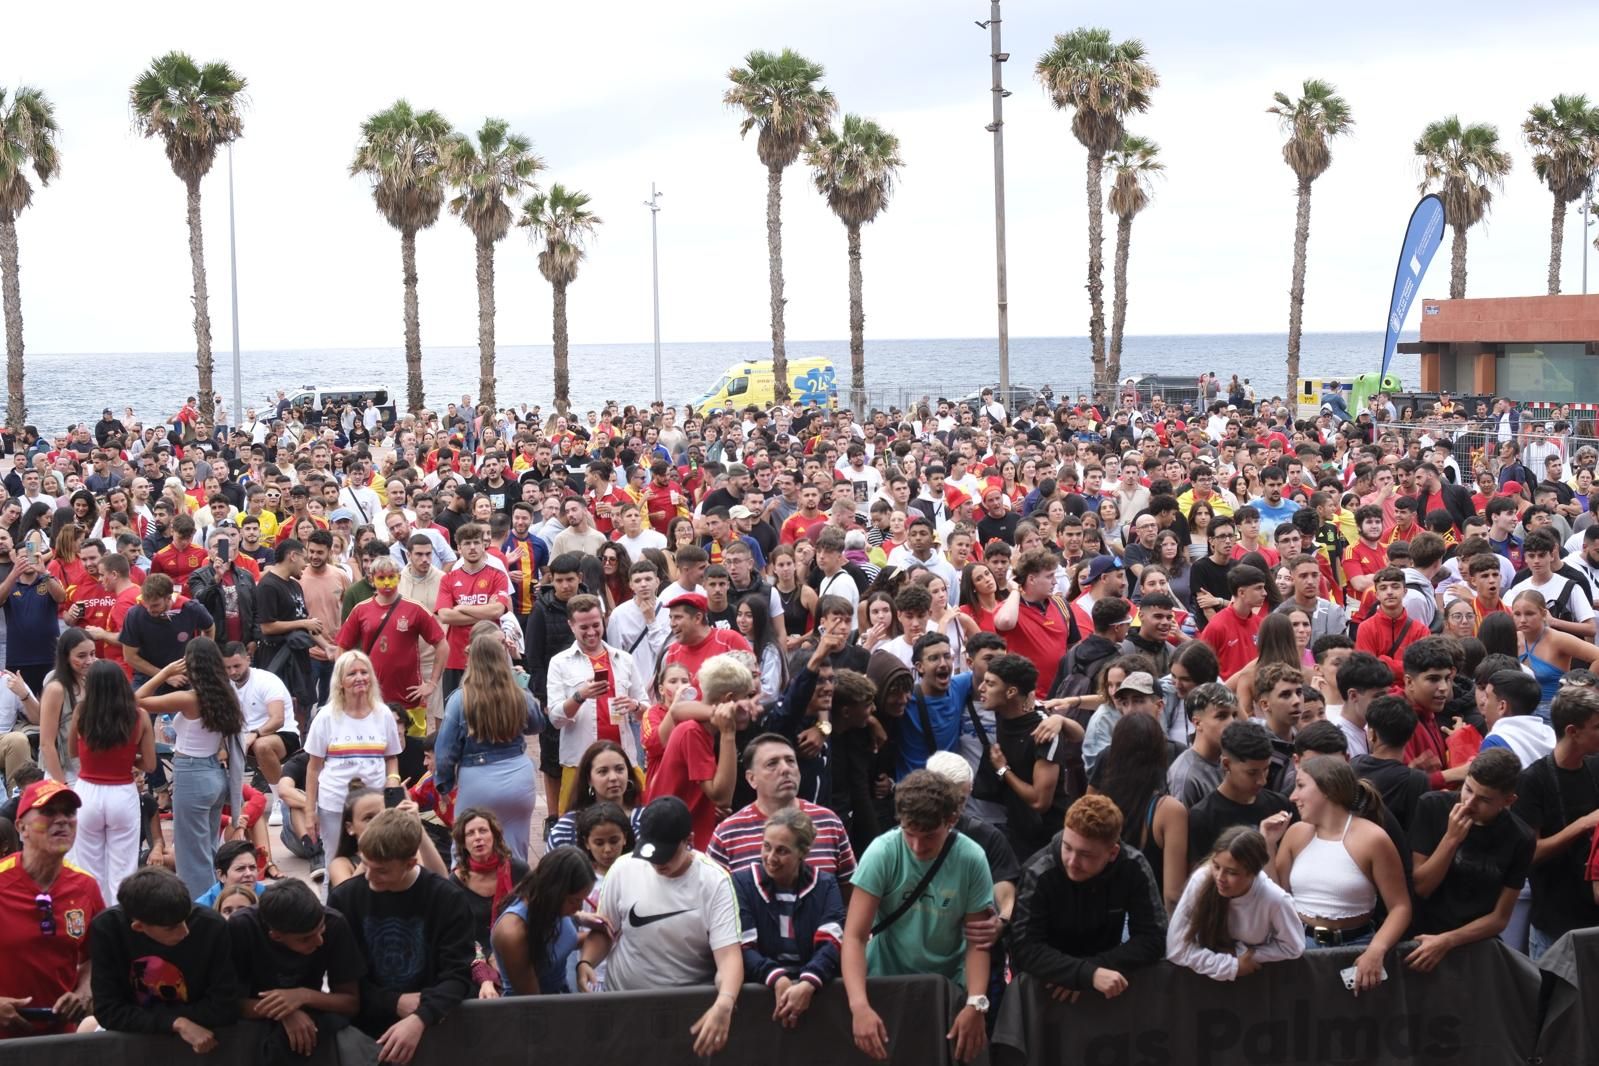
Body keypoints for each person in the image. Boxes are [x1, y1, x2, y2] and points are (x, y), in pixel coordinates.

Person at [842, 770, 993, 1064]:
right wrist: (859, 1005)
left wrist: (976, 1003)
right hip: (883, 982)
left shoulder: (971, 858)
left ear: (950, 821)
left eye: (929, 837)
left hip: (946, 986)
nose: (917, 847)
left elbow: (978, 941)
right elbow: (855, 935)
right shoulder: (882, 852)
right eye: (909, 833)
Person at [577, 796, 743, 1060]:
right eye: (650, 853)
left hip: (686, 1011)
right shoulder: (623, 868)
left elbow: (729, 955)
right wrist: (586, 962)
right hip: (624, 1005)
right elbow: (604, 930)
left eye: (665, 854)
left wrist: (725, 1001)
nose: (657, 863)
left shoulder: (716, 881)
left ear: (688, 840)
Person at [329, 808, 475, 1066]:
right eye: (366, 864)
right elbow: (343, 980)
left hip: (435, 1023)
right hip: (367, 1030)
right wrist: (393, 1002)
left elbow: (458, 975)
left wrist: (421, 1016)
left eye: (382, 871)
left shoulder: (447, 899)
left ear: (411, 863)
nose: (370, 878)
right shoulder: (345, 898)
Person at [1006, 794, 1167, 998]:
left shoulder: (1133, 867)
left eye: (1086, 855)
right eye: (1067, 847)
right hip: (1045, 986)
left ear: (1113, 853)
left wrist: (1092, 970)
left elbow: (1154, 938)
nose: (1072, 861)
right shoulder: (1039, 871)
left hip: (1105, 977)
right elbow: (1023, 947)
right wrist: (1083, 974)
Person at [1272, 756, 1411, 987]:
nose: (1292, 796)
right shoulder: (1295, 834)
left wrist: (1376, 950)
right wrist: (1268, 844)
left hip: (1357, 946)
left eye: (1300, 785)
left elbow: (1400, 907)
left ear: (1327, 789)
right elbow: (1276, 894)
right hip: (1299, 943)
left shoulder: (1373, 838)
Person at [1407, 748, 1535, 972]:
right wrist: (1451, 839)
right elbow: (1421, 887)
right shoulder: (1432, 806)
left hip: (1474, 945)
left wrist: (1448, 941)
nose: (1469, 803)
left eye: (1483, 799)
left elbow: (1500, 917)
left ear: (1508, 800)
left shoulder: (1520, 837)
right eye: (1467, 789)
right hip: (1422, 938)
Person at [136, 638, 246, 898]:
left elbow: (136, 699)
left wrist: (163, 673)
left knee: (191, 855)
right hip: (214, 774)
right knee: (207, 849)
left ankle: (202, 910)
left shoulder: (189, 699)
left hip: (192, 774)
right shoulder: (227, 693)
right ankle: (217, 903)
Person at [89, 866, 240, 1049]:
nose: (185, 932)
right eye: (171, 928)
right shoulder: (108, 929)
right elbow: (108, 1011)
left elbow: (225, 1006)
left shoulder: (211, 926)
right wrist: (176, 1022)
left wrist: (149, 1018)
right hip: (134, 1046)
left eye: (186, 919)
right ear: (139, 927)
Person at [0, 780, 102, 1038]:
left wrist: (84, 993)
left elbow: (97, 956)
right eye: (48, 812)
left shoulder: (86, 887)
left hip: (59, 1040)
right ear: (21, 827)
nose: (62, 820)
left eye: (69, 813)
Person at [730, 806, 846, 1025]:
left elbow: (831, 943)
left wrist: (808, 983)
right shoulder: (742, 883)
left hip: (815, 989)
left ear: (803, 852)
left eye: (782, 851)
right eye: (766, 847)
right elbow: (743, 947)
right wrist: (777, 978)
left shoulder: (825, 884)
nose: (771, 857)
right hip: (761, 989)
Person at [435, 631, 544, 860]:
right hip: (518, 779)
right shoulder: (518, 695)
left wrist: (444, 784)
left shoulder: (460, 699)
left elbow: (444, 751)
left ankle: (471, 895)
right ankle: (514, 894)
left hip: (478, 781)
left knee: (466, 851)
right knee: (516, 853)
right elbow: (537, 725)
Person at [227, 878, 364, 1058]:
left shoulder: (335, 923)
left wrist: (303, 996)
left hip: (313, 1014)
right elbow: (229, 1004)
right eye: (306, 938)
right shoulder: (242, 927)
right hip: (257, 1018)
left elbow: (351, 1003)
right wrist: (285, 1011)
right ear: (276, 937)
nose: (319, 941)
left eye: (321, 929)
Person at [1513, 684, 1599, 959]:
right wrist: (1582, 825)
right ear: (1572, 731)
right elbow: (1529, 854)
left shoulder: (1595, 766)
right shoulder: (1533, 781)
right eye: (1597, 727)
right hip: (1555, 927)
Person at [547, 593, 648, 811]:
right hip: (579, 763)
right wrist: (580, 696)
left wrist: (635, 706)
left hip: (623, 761)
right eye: (584, 627)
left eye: (596, 625)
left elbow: (646, 712)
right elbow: (555, 718)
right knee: (575, 826)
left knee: (635, 820)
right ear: (571, 625)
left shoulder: (624, 659)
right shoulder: (559, 663)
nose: (592, 632)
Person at [708, 732, 857, 880]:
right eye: (772, 763)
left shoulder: (828, 822)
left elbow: (849, 891)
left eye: (790, 761)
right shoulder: (728, 833)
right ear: (752, 778)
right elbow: (711, 896)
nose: (785, 769)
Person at [647, 654, 758, 848]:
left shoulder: (699, 726)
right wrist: (728, 733)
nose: (751, 705)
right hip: (675, 845)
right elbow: (722, 798)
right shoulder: (693, 732)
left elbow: (678, 710)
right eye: (747, 697)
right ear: (729, 699)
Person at [1167, 827, 1304, 980]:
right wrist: (1231, 966)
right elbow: (1176, 948)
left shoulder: (1275, 899)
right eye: (1216, 866)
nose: (1220, 877)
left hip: (1255, 980)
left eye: (1232, 872)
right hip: (1202, 980)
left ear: (1253, 873)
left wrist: (1250, 955)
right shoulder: (1201, 880)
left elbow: (1293, 947)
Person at [70, 661, 157, 900]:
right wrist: (128, 758)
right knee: (123, 869)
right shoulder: (139, 715)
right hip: (122, 792)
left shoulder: (81, 712)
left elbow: (73, 752)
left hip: (87, 792)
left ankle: (93, 925)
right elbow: (150, 764)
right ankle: (121, 925)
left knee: (88, 869)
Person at [336, 554, 447, 739]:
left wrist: (432, 683)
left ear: (399, 577)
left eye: (391, 577)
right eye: (381, 578)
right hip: (371, 696)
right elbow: (341, 647)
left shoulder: (415, 608)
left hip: (410, 696)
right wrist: (344, 681)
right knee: (375, 747)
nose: (387, 582)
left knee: (414, 751)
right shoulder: (361, 610)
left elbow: (442, 645)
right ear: (372, 579)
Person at [304, 650, 404, 851]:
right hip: (334, 803)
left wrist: (393, 779)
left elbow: (391, 757)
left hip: (374, 804)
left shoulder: (384, 714)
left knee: (376, 857)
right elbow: (313, 768)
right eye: (352, 674)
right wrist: (309, 812)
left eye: (364, 672)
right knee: (335, 860)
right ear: (340, 681)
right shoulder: (325, 717)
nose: (360, 678)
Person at [1096, 713, 1191, 913]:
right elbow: (1173, 894)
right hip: (1146, 925)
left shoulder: (1100, 803)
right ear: (1160, 753)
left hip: (1101, 919)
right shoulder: (1169, 811)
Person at [980, 653, 1071, 857]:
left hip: (1047, 841)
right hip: (1017, 829)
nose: (981, 688)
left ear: (1011, 692)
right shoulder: (1003, 709)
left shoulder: (1042, 732)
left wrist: (1003, 769)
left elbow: (1040, 801)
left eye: (990, 684)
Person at [1185, 721, 1294, 866]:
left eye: (1266, 769)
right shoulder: (1203, 817)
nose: (1262, 781)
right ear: (1226, 764)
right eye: (1252, 773)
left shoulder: (1281, 805)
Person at [491, 845, 595, 995]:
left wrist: (586, 960)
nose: (579, 907)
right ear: (553, 892)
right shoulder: (513, 933)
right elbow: (534, 1003)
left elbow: (560, 944)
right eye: (574, 901)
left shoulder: (551, 908)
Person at [449, 809, 529, 995]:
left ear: (494, 835)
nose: (478, 838)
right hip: (473, 960)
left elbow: (537, 913)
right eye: (470, 833)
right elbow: (457, 937)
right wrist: (486, 969)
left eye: (483, 831)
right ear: (463, 842)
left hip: (516, 952)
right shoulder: (454, 883)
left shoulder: (518, 870)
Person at [434, 523, 511, 700]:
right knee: (456, 711)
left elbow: (498, 611)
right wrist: (485, 612)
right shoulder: (448, 579)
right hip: (456, 657)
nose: (473, 547)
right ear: (459, 548)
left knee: (491, 712)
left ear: (484, 545)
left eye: (476, 542)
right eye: (467, 543)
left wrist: (461, 608)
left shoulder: (498, 575)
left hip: (491, 657)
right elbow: (445, 616)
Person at [548, 740, 645, 848]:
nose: (613, 777)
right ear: (589, 779)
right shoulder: (567, 828)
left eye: (619, 769)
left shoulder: (645, 821)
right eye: (603, 771)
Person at [37, 628, 98, 783]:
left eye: (92, 653)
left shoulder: (92, 680)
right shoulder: (56, 689)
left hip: (89, 771)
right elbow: (46, 744)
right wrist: (61, 786)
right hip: (65, 774)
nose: (90, 660)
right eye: (81, 656)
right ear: (65, 657)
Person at [1166, 682, 1241, 807]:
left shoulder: (1232, 761)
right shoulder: (1185, 776)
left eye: (1234, 715)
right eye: (1222, 716)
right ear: (1197, 723)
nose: (1232, 722)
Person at [1199, 564, 1268, 679]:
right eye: (1258, 588)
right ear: (1241, 593)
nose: (1264, 593)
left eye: (1263, 587)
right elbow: (1200, 664)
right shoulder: (1217, 626)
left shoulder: (1261, 624)